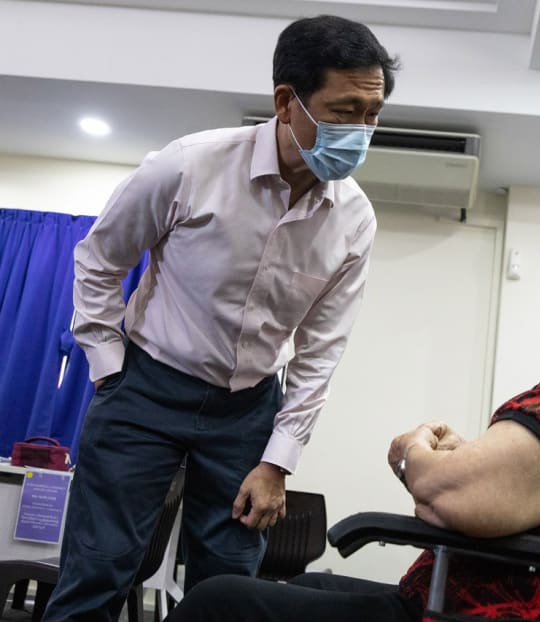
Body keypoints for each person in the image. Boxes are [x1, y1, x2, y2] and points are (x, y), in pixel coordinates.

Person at [164, 179, 540, 622]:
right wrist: (475, 461)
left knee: (218, 602)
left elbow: (456, 497)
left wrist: (415, 453)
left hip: (503, 609)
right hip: (531, 599)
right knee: (309, 588)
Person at [43, 15, 399, 622]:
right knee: (98, 570)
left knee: (231, 586)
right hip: (146, 389)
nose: (362, 131)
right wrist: (108, 369)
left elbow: (320, 352)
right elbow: (99, 260)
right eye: (344, 111)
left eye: (373, 113)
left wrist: (278, 461)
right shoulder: (188, 166)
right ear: (287, 102)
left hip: (248, 412)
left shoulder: (354, 220)